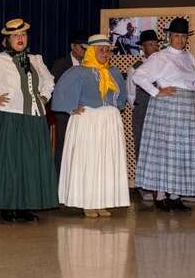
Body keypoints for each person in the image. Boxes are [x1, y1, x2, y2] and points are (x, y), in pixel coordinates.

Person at [0, 18, 59, 222]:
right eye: (15, 35)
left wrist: (44, 97)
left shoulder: (36, 59)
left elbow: (49, 80)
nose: (20, 38)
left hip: (33, 119)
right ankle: (8, 206)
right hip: (8, 117)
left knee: (29, 164)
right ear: (7, 40)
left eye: (23, 35)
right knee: (9, 163)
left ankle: (25, 205)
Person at [51, 34, 129, 217]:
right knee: (88, 161)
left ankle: (101, 201)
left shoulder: (113, 73)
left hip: (108, 122)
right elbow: (60, 92)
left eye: (107, 50)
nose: (105, 53)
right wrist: (70, 107)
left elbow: (121, 98)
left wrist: (114, 110)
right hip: (88, 121)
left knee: (106, 162)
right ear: (91, 51)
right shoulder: (78, 72)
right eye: (101, 50)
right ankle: (87, 202)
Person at [133, 18, 195, 212]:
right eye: (177, 35)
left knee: (181, 151)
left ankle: (175, 195)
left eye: (184, 36)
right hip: (167, 107)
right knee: (165, 151)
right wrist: (156, 92)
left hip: (187, 109)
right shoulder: (160, 57)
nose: (180, 39)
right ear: (169, 36)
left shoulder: (189, 57)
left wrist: (190, 98)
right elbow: (139, 76)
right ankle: (161, 195)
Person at [125, 29, 161, 202]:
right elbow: (131, 95)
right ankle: (144, 187)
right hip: (142, 110)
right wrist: (140, 107)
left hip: (160, 111)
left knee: (160, 148)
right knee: (142, 147)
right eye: (149, 45)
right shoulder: (135, 68)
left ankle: (161, 187)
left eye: (155, 44)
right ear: (143, 48)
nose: (153, 48)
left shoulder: (163, 65)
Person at [49, 30, 87, 175]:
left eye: (87, 48)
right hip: (65, 113)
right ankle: (59, 180)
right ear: (73, 46)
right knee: (64, 146)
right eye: (82, 47)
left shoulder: (89, 64)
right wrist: (70, 107)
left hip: (84, 112)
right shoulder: (61, 64)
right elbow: (55, 90)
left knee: (82, 147)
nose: (85, 50)